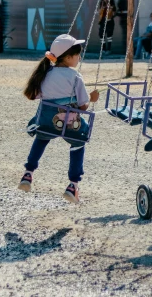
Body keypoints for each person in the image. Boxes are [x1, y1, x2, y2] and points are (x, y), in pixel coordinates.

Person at [18, 34, 99, 203]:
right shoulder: (75, 76)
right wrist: (92, 98)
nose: (79, 58)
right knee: (78, 143)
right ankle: (73, 185)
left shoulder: (45, 73)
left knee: (41, 137)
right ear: (68, 57)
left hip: (46, 121)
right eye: (78, 55)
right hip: (70, 123)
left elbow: (38, 95)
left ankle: (28, 173)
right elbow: (83, 107)